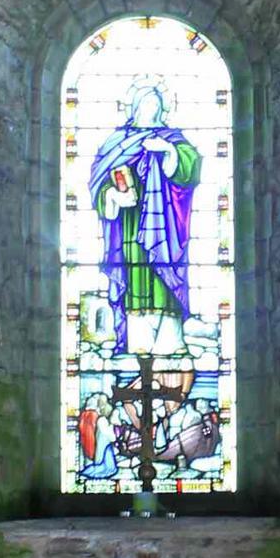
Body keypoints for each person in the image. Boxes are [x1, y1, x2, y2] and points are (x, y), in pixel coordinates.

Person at [89, 81, 201, 355]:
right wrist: (113, 197)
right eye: (145, 103)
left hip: (165, 228)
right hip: (128, 224)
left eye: (155, 103)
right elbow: (99, 180)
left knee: (163, 271)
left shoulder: (172, 138)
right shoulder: (117, 142)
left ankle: (170, 340)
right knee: (134, 269)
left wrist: (168, 151)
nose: (150, 108)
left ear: (163, 108)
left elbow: (189, 169)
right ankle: (135, 337)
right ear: (135, 107)